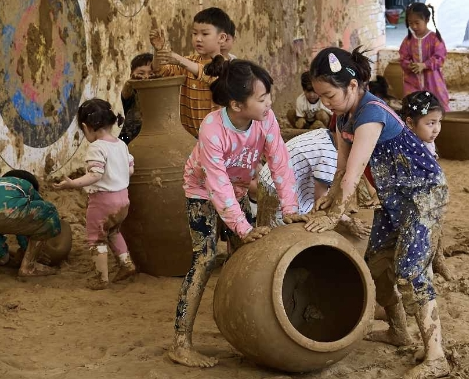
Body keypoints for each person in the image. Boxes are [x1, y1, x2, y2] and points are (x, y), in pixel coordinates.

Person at [304, 47, 450, 379]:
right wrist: (328, 198)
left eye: (330, 94)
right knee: (376, 266)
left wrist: (337, 212)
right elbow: (342, 170)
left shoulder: (371, 113)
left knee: (411, 270)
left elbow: (354, 174)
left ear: (352, 86)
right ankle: (399, 331)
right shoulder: (344, 117)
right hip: (394, 198)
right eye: (321, 96)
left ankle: (437, 356)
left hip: (424, 195)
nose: (326, 101)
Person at [169, 57, 302, 368]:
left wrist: (291, 208)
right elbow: (216, 184)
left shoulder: (266, 121)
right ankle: (180, 341)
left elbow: (279, 161)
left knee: (245, 255)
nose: (269, 102)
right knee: (205, 258)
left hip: (237, 191)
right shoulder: (212, 128)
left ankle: (242, 331)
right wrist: (243, 227)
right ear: (237, 105)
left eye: (268, 95)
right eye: (262, 98)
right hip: (202, 192)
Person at [54, 98, 136, 289]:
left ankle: (101, 278)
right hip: (123, 200)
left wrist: (73, 183)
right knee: (114, 231)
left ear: (86, 126)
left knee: (96, 238)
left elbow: (95, 174)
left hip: (103, 202)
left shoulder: (97, 147)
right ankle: (126, 264)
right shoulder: (121, 145)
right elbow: (130, 170)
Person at [150, 7, 234, 138]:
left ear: (222, 38)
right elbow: (160, 71)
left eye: (205, 34)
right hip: (190, 138)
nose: (198, 39)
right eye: (195, 33)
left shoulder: (228, 65)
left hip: (218, 138)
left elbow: (208, 75)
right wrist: (158, 51)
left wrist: (179, 59)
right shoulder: (189, 61)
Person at [401, 90, 453, 281]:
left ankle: (434, 262)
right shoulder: (408, 147)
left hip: (431, 201)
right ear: (410, 123)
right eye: (430, 123)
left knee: (433, 234)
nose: (436, 128)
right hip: (416, 205)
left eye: (439, 122)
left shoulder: (427, 143)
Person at [257, 127, 336, 220]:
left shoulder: (323, 134)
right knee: (279, 229)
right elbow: (320, 199)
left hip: (275, 178)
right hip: (276, 186)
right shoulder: (328, 153)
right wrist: (343, 218)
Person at [399, 2, 449, 110]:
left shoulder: (435, 39)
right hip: (412, 81)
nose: (414, 26)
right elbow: (403, 58)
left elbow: (440, 57)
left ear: (427, 20)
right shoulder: (407, 41)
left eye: (417, 22)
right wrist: (410, 65)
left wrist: (424, 65)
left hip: (433, 81)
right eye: (410, 23)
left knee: (436, 106)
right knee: (412, 107)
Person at [119, 53, 153, 144]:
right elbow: (126, 90)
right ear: (131, 74)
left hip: (153, 140)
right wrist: (131, 81)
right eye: (141, 73)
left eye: (151, 73)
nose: (146, 77)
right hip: (129, 141)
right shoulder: (131, 91)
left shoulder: (161, 94)